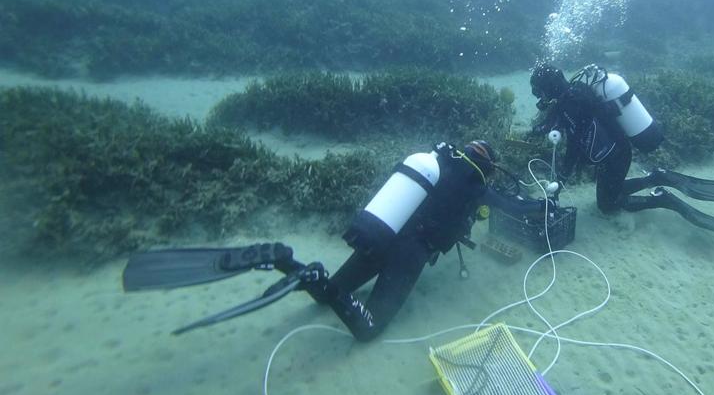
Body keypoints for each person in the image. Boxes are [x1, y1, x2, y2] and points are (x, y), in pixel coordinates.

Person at [123, 140, 566, 341]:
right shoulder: (476, 185)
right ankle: (321, 280)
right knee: (369, 328)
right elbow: (514, 208)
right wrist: (545, 202)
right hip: (408, 253)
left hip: (381, 232)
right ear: (486, 167)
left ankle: (290, 264)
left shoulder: (435, 165)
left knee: (322, 300)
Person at [529, 63, 714, 234]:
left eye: (541, 92)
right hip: (614, 154)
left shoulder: (571, 104)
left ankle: (664, 198)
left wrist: (560, 181)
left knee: (608, 206)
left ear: (550, 87)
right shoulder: (574, 94)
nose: (541, 98)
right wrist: (539, 130)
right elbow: (556, 122)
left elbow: (573, 148)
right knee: (612, 192)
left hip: (615, 158)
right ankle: (656, 178)